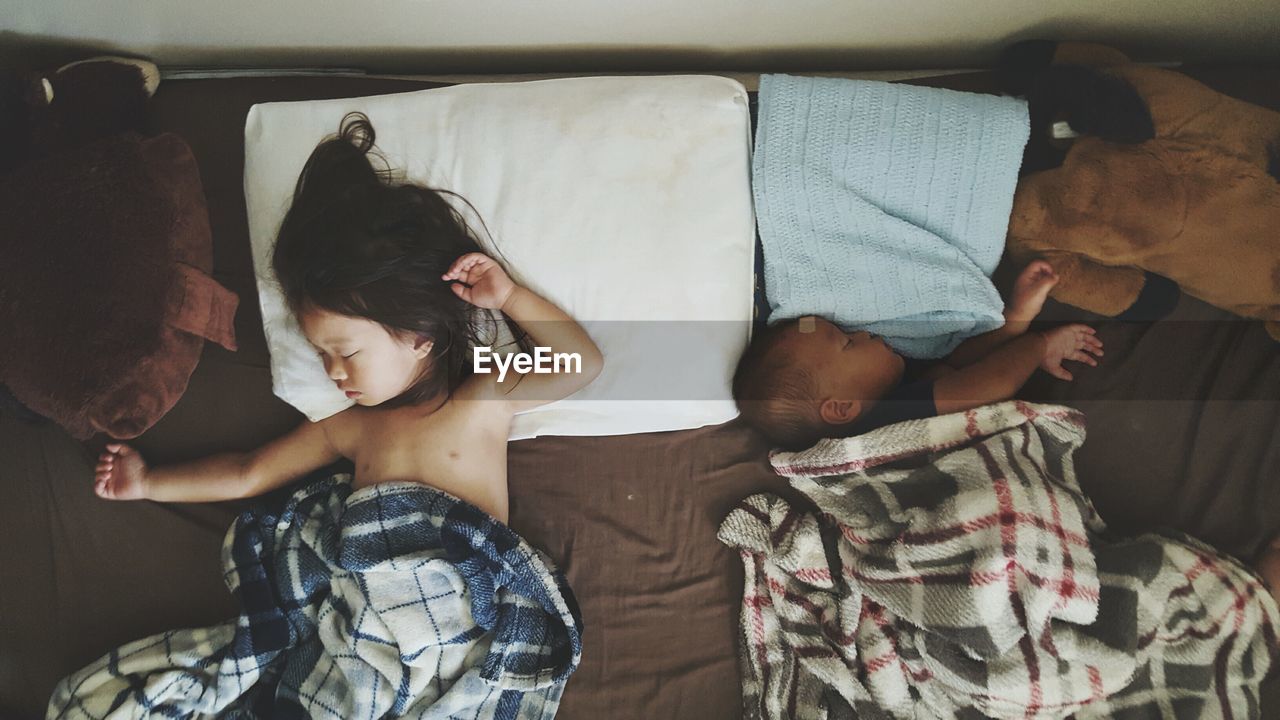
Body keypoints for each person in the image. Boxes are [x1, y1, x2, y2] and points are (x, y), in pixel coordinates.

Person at [91, 114, 602, 523]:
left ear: (419, 335)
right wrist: (149, 483)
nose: (333, 372)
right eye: (322, 354)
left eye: (347, 352)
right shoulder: (348, 428)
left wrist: (509, 296)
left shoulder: (481, 397)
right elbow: (248, 473)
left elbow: (581, 363)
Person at [732, 260, 1102, 451]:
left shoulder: (887, 404)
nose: (862, 332)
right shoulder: (883, 427)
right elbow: (986, 386)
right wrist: (1038, 345)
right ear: (841, 407)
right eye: (847, 342)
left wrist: (1012, 322)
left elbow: (954, 369)